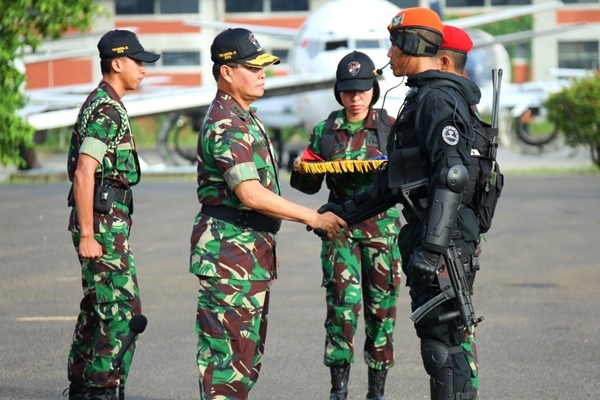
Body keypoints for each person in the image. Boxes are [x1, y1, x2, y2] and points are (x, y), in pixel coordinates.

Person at [318, 8, 483, 400]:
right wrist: (342, 212)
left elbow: (453, 175)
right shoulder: (420, 97)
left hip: (442, 245)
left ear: (411, 44)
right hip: (433, 240)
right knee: (438, 343)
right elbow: (395, 181)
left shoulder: (437, 99)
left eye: (395, 44)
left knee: (445, 347)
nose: (389, 54)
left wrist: (432, 247)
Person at [190, 28, 347, 400]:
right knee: (227, 369)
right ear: (226, 71)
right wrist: (312, 217)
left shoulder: (244, 117)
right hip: (230, 258)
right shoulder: (226, 123)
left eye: (264, 67)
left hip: (247, 256)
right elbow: (250, 193)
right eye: (253, 67)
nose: (262, 74)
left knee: (243, 363)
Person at [290, 51, 402, 400]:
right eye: (348, 91)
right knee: (342, 307)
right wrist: (299, 168)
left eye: (362, 90)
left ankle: (376, 392)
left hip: (382, 231)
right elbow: (308, 185)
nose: (355, 98)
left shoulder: (389, 127)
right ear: (339, 92)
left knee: (382, 311)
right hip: (338, 230)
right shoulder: (325, 132)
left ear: (373, 89)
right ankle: (338, 391)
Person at [65, 30, 160, 400]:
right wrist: (88, 233)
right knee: (121, 310)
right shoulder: (107, 108)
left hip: (106, 221)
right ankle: (103, 389)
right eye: (138, 62)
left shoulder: (103, 102)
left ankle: (83, 384)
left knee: (98, 304)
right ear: (117, 63)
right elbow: (85, 171)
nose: (143, 70)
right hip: (102, 225)